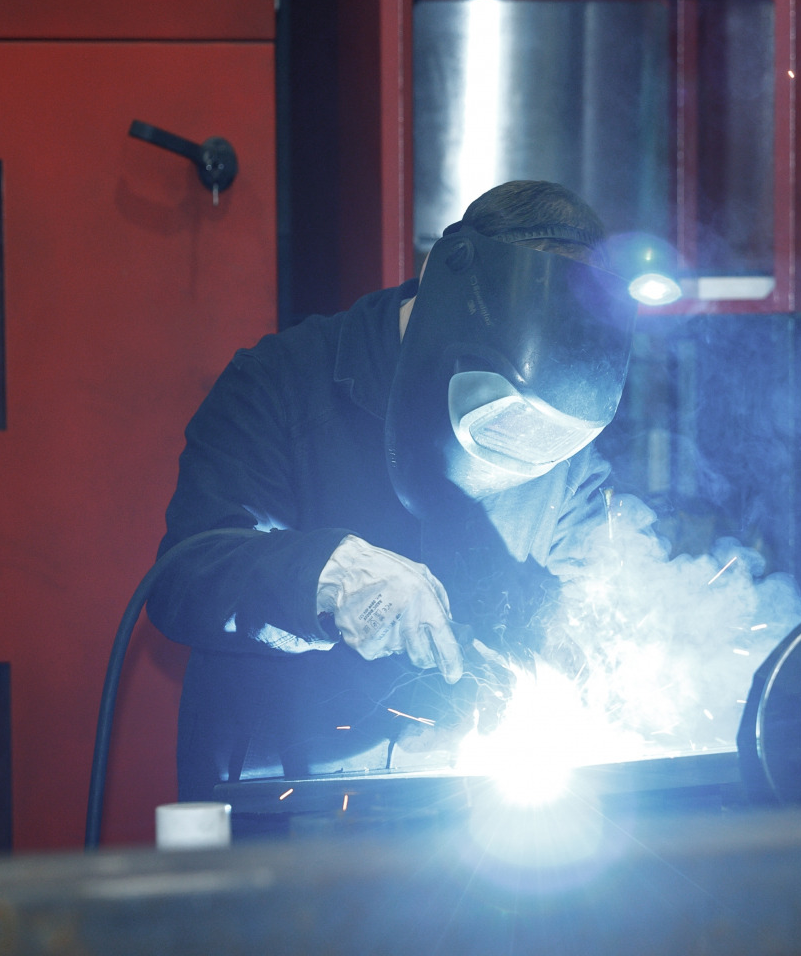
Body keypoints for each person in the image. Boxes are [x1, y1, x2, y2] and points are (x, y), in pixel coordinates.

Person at [142, 181, 636, 800]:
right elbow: (182, 585)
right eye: (504, 411)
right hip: (283, 813)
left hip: (464, 831)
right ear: (440, 283)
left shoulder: (563, 440)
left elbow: (591, 593)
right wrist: (327, 576)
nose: (523, 444)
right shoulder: (277, 384)